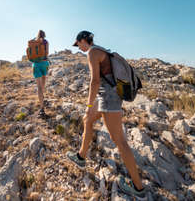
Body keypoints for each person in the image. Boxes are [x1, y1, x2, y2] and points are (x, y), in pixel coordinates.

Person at [66, 31, 147, 199]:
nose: (78, 48)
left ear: (83, 40)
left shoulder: (92, 53)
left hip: (109, 100)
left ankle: (138, 189)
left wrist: (89, 104)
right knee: (87, 119)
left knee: (120, 141)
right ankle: (81, 156)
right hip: (106, 96)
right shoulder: (101, 50)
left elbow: (94, 81)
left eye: (78, 44)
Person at [32, 30, 49, 118]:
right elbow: (47, 53)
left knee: (38, 86)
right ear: (44, 35)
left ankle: (42, 108)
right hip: (44, 63)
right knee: (43, 82)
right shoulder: (46, 42)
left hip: (36, 64)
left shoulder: (34, 41)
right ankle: (42, 97)